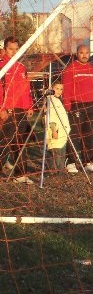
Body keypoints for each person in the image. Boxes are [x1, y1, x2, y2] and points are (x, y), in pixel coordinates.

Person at [0, 36, 35, 183]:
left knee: (20, 142)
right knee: (4, 142)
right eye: (10, 49)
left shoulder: (21, 67)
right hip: (7, 110)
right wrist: (1, 109)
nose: (13, 52)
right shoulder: (2, 66)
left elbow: (26, 89)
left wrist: (29, 106)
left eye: (16, 49)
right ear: (4, 49)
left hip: (21, 110)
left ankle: (20, 174)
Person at [62, 44, 93, 173]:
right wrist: (68, 105)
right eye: (81, 53)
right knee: (74, 134)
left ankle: (88, 161)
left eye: (86, 53)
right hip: (76, 105)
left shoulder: (92, 69)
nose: (84, 55)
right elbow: (66, 89)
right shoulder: (70, 69)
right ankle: (71, 162)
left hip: (91, 106)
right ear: (76, 54)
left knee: (89, 135)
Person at [45, 82, 70, 172]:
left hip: (63, 132)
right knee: (55, 153)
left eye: (61, 89)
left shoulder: (57, 100)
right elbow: (50, 116)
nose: (59, 91)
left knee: (61, 152)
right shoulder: (50, 100)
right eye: (57, 89)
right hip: (56, 131)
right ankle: (52, 171)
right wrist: (54, 130)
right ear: (52, 88)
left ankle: (60, 170)